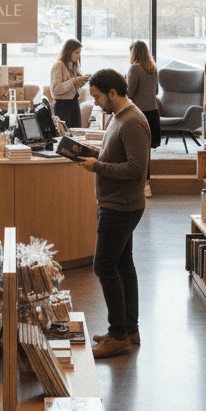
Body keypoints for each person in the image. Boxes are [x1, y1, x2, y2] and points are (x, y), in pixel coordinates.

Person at [77, 68, 151, 359]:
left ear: (112, 92)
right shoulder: (120, 118)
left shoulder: (133, 122)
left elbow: (136, 170)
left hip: (120, 207)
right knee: (122, 266)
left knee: (103, 266)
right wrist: (96, 155)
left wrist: (97, 167)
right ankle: (128, 329)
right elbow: (119, 156)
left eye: (97, 97)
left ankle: (118, 335)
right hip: (118, 204)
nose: (95, 103)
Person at [126, 40, 160, 197]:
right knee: (146, 151)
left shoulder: (134, 68)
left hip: (139, 114)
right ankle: (147, 184)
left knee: (134, 150)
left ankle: (135, 185)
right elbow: (157, 92)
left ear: (134, 52)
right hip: (153, 113)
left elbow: (130, 93)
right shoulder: (153, 69)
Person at [50, 39, 91, 130]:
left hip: (74, 103)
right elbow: (55, 89)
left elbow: (72, 87)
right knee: (65, 133)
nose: (78, 56)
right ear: (69, 52)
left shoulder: (73, 65)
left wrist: (82, 80)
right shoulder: (58, 65)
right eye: (76, 53)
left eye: (79, 53)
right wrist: (73, 81)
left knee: (76, 132)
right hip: (62, 106)